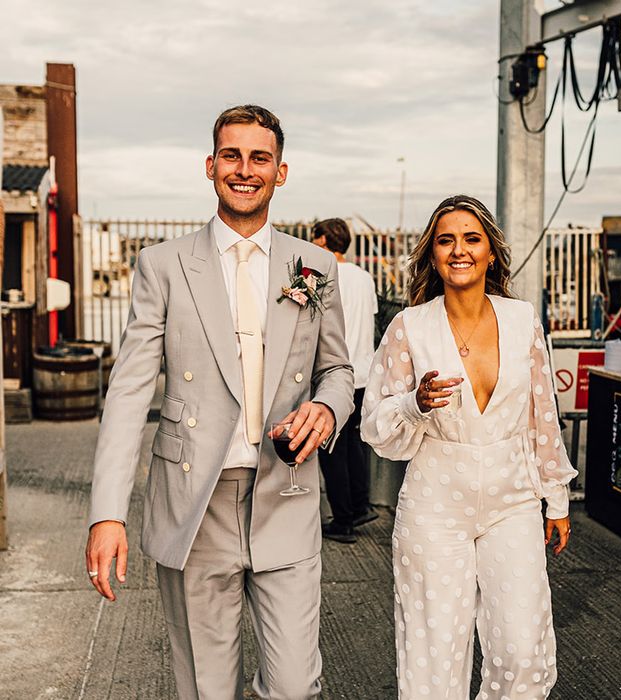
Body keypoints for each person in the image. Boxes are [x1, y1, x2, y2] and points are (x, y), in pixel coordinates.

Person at [85, 105, 354, 700]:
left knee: (293, 686)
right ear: (210, 166)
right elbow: (129, 391)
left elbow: (336, 368)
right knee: (207, 688)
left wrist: (329, 408)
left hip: (286, 494)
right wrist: (108, 513)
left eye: (260, 157)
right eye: (231, 155)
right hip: (194, 502)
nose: (244, 169)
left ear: (280, 172)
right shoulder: (162, 265)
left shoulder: (315, 267)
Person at [360, 195, 577, 699]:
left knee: (523, 651)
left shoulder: (523, 320)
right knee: (434, 653)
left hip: (514, 501)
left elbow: (542, 415)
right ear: (432, 255)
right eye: (446, 240)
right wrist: (415, 404)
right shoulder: (408, 327)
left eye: (471, 238)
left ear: (491, 253)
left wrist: (557, 498)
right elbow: (375, 423)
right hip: (435, 505)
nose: (459, 250)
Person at [312, 218, 378, 543]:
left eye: (314, 238)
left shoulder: (321, 273)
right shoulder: (365, 278)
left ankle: (343, 519)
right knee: (354, 443)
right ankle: (361, 504)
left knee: (331, 448)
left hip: (334, 373)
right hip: (364, 372)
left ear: (323, 240)